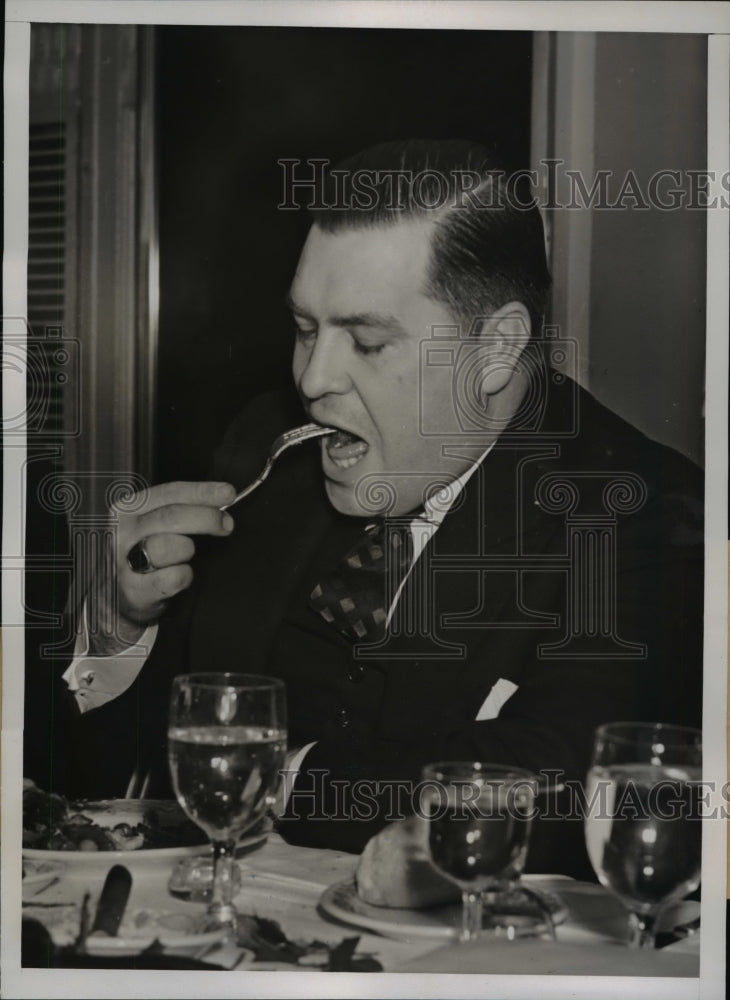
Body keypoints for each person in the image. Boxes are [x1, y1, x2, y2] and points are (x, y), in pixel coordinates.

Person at [24, 139, 703, 892]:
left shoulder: (646, 514)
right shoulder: (262, 447)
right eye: (305, 329)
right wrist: (119, 630)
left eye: (367, 342)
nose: (314, 380)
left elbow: (570, 790)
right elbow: (115, 791)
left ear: (497, 348)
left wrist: (276, 776)